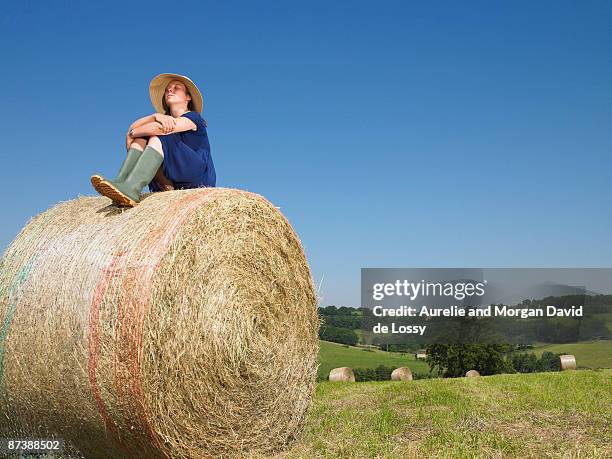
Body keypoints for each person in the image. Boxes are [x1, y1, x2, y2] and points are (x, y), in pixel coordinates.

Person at [91, 73, 216, 207]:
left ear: (188, 97)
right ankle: (122, 182)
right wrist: (154, 116)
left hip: (197, 178)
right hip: (175, 179)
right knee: (144, 136)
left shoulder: (194, 117)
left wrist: (133, 134)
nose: (170, 90)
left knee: (158, 135)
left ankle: (132, 187)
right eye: (168, 88)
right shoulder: (164, 118)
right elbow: (133, 127)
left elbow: (159, 130)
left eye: (176, 87)